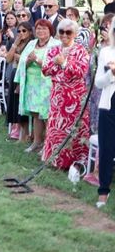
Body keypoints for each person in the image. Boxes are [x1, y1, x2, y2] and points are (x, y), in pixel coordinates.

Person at [41, 19, 90, 169]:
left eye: (68, 32)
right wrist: (56, 63)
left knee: (76, 128)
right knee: (57, 129)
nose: (64, 35)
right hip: (58, 95)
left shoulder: (81, 51)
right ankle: (56, 160)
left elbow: (82, 71)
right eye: (61, 31)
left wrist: (64, 64)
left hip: (76, 97)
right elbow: (45, 70)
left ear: (75, 34)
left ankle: (78, 162)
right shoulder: (53, 50)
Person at [14, 19, 60, 153]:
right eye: (38, 28)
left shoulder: (55, 45)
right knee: (35, 113)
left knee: (46, 113)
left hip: (46, 83)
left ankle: (48, 144)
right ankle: (36, 141)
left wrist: (38, 61)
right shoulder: (32, 44)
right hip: (32, 84)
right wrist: (28, 61)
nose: (40, 31)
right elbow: (22, 62)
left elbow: (54, 66)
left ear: (50, 31)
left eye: (44, 29)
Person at [95, 23, 115, 208]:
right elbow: (98, 83)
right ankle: (103, 191)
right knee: (107, 148)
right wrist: (111, 74)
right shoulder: (106, 52)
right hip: (109, 104)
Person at [5, 22, 34, 141]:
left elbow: (27, 60)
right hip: (14, 73)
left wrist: (18, 57)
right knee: (14, 103)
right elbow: (8, 59)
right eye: (19, 31)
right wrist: (14, 45)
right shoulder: (17, 43)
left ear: (30, 32)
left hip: (24, 75)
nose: (21, 33)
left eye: (24, 31)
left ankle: (25, 134)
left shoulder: (32, 44)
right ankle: (19, 131)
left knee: (21, 104)